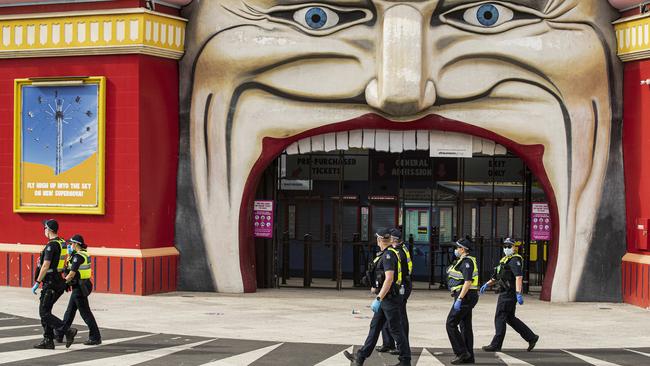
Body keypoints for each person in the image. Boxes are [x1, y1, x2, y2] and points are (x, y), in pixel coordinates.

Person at [344, 228, 411, 366]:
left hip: (389, 298)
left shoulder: (388, 255)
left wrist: (379, 298)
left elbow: (389, 279)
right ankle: (360, 357)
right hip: (386, 298)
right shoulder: (387, 253)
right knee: (375, 327)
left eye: (377, 239)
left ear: (380, 240)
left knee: (396, 330)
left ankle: (405, 361)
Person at [480, 238, 539, 352]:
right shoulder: (505, 260)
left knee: (500, 317)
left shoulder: (515, 260)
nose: (506, 248)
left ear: (514, 247)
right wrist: (487, 284)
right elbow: (497, 276)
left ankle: (496, 344)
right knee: (509, 318)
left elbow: (518, 277)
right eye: (505, 246)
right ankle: (531, 337)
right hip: (505, 292)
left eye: (509, 246)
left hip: (509, 293)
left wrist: (518, 293)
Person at [31, 219, 76, 349]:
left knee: (44, 312)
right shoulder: (62, 243)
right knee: (46, 311)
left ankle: (67, 330)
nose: (43, 231)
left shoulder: (51, 245)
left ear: (49, 229)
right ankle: (48, 340)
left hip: (51, 282)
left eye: (44, 228)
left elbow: (45, 265)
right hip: (59, 281)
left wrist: (37, 282)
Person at [55, 235, 102, 346]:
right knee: (70, 311)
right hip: (80, 286)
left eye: (71, 243)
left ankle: (95, 337)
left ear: (76, 244)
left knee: (85, 313)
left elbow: (72, 273)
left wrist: (63, 284)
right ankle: (61, 333)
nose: (70, 245)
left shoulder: (79, 256)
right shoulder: (78, 255)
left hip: (81, 287)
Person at [377, 228, 412, 355]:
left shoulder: (398, 252)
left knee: (400, 316)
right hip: (399, 285)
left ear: (394, 240)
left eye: (390, 238)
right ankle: (388, 343)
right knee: (387, 314)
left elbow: (395, 273)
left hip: (401, 286)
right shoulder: (396, 250)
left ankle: (402, 346)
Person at [446, 238, 479, 365]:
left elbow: (468, 281)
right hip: (465, 295)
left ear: (463, 249)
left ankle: (461, 352)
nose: (456, 250)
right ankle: (468, 356)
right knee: (465, 325)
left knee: (451, 323)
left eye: (457, 247)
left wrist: (459, 299)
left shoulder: (467, 262)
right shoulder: (461, 261)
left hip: (465, 297)